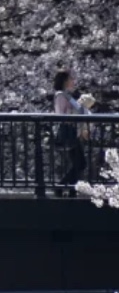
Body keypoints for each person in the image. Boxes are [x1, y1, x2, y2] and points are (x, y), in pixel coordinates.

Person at [53, 70, 89, 198]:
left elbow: (79, 110)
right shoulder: (61, 96)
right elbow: (61, 115)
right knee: (80, 163)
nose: (73, 81)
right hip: (68, 130)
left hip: (72, 130)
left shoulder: (68, 95)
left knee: (78, 163)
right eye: (70, 79)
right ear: (64, 81)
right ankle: (61, 186)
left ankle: (70, 190)